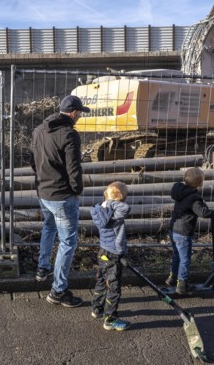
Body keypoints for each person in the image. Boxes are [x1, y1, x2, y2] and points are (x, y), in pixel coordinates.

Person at [29, 94, 90, 308]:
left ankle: (42, 267)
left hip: (43, 192)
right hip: (63, 196)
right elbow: (74, 168)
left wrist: (42, 180)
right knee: (68, 242)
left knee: (48, 227)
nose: (80, 117)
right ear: (73, 113)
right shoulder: (69, 134)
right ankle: (58, 290)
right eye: (80, 113)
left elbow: (32, 162)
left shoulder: (38, 131)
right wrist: (77, 190)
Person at [166, 167, 214, 294]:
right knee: (185, 259)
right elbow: (203, 212)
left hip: (173, 229)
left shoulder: (181, 192)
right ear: (200, 183)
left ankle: (173, 278)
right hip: (183, 233)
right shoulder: (193, 198)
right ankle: (182, 285)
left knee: (177, 255)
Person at [90, 181, 132, 331]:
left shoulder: (100, 210)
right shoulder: (115, 212)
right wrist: (113, 202)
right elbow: (127, 208)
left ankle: (97, 308)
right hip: (113, 253)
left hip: (103, 251)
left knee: (101, 281)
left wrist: (107, 202)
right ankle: (110, 318)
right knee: (114, 286)